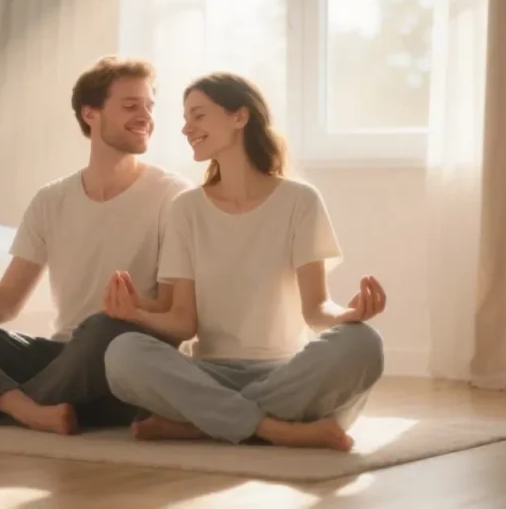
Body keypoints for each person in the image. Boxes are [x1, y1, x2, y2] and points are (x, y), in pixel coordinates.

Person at [0, 55, 192, 435]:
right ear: (90, 114)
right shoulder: (52, 200)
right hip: (61, 356)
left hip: (126, 359)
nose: (145, 116)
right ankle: (29, 407)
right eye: (131, 106)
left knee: (106, 327)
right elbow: (3, 303)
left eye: (149, 106)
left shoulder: (174, 196)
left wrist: (133, 311)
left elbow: (173, 317)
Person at [101, 71, 387, 451]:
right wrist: (134, 314)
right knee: (123, 353)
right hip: (209, 374)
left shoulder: (299, 201)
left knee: (363, 343)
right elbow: (183, 322)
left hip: (288, 373)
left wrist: (347, 316)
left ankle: (205, 425)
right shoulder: (186, 209)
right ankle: (276, 428)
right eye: (185, 118)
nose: (186, 128)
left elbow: (317, 309)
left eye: (198, 115)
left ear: (240, 116)